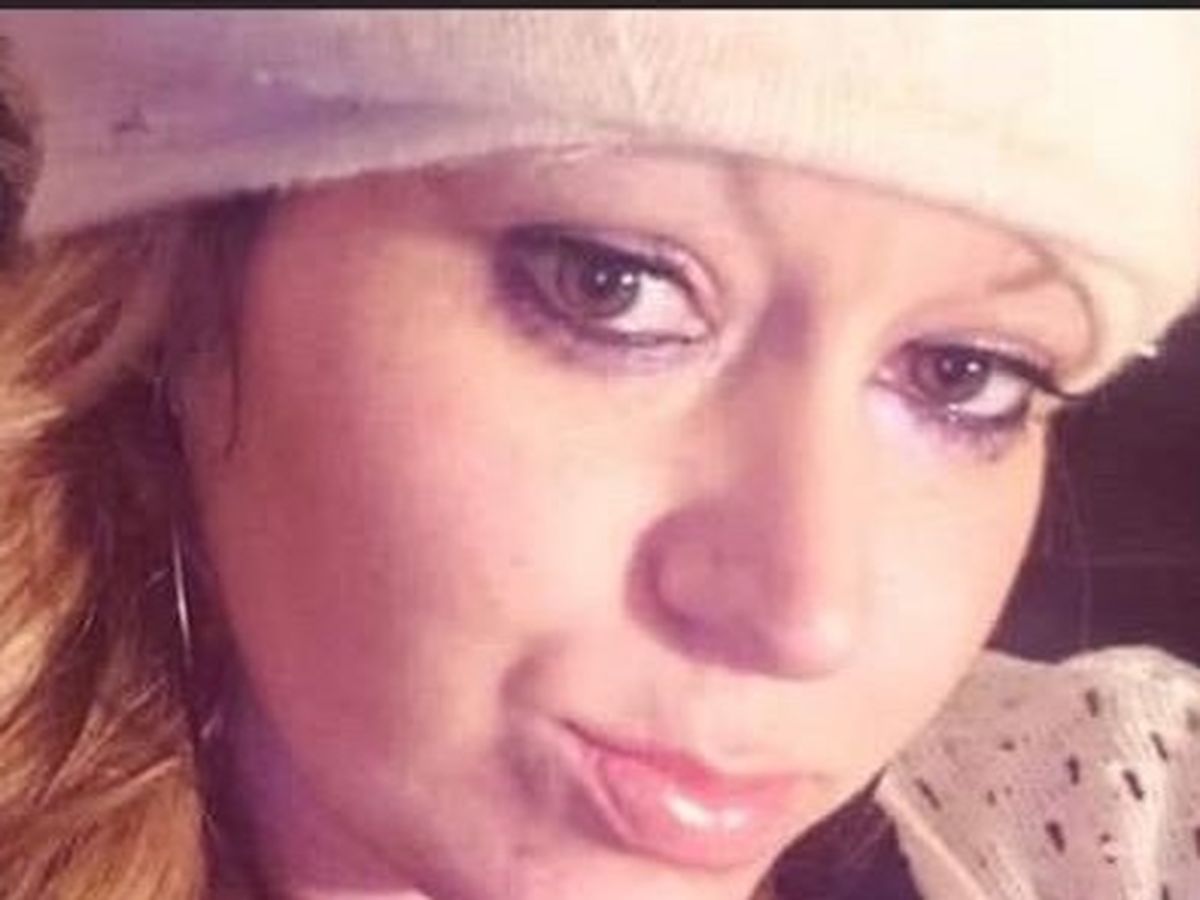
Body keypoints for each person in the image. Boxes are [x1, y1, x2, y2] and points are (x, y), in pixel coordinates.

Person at [0, 11, 1197, 900]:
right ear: (185, 296)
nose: (803, 615)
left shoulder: (1095, 825)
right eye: (610, 287)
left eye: (963, 375)